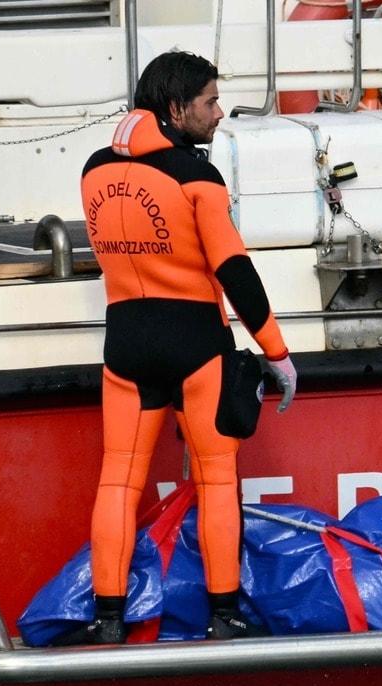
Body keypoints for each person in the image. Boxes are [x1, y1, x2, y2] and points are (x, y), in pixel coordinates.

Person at [77, 51, 296, 644]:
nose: (220, 113)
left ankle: (107, 620)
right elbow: (235, 271)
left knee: (118, 482)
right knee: (217, 480)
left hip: (124, 344)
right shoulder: (197, 178)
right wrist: (276, 352)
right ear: (176, 108)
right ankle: (223, 615)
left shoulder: (93, 171)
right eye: (210, 102)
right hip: (196, 344)